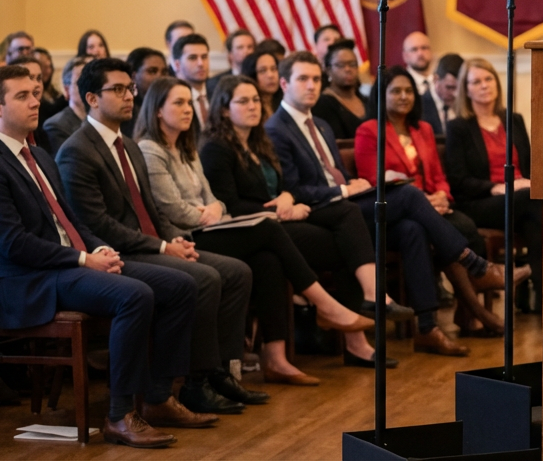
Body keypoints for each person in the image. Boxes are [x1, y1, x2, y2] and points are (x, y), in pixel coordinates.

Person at [0, 65, 211, 446]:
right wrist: (83, 260)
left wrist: (97, 248)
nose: (35, 101)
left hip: (70, 263)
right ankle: (120, 414)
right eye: (22, 96)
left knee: (179, 284)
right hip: (29, 278)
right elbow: (14, 244)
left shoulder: (38, 155)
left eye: (35, 93)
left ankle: (159, 397)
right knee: (134, 294)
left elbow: (70, 221)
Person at [266, 52, 521, 355]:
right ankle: (475, 265)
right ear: (284, 83)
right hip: (323, 213)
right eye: (303, 79)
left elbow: (337, 173)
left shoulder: (320, 124)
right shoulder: (276, 128)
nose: (312, 86)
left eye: (316, 79)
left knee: (413, 228)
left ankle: (427, 327)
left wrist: (351, 187)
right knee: (411, 195)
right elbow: (295, 189)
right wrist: (346, 191)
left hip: (347, 206)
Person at [136, 76, 373, 386]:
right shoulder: (152, 150)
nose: (187, 110)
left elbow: (216, 200)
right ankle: (324, 305)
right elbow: (172, 208)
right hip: (187, 238)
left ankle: (275, 358)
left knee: (268, 260)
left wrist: (214, 210)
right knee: (269, 229)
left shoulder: (186, 146)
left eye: (189, 103)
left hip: (214, 225)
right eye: (178, 103)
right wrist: (210, 212)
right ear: (156, 110)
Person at [56, 58, 254, 415]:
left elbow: (149, 209)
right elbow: (97, 223)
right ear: (91, 98)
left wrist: (172, 241)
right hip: (118, 253)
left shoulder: (129, 145)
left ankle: (217, 372)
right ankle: (180, 387)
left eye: (130, 88)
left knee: (236, 271)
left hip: (150, 244)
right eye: (117, 89)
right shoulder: (76, 151)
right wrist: (162, 246)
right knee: (203, 278)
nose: (129, 96)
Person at [201, 75, 400, 375]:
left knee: (346, 222)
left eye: (255, 99)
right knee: (341, 243)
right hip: (252, 228)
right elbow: (228, 203)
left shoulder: (258, 141)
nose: (253, 106)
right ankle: (336, 318)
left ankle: (349, 329)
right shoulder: (216, 148)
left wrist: (287, 197)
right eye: (243, 101)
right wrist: (282, 209)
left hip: (277, 221)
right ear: (224, 110)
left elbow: (283, 186)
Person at [444, 57, 543, 314]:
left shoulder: (514, 120)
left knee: (535, 222)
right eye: (475, 81)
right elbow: (458, 179)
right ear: (465, 90)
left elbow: (531, 165)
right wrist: (495, 187)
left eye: (488, 79)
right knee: (536, 202)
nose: (484, 85)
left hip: (523, 200)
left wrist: (529, 182)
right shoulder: (459, 127)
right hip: (480, 202)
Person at [356, 66, 487, 258]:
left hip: (433, 204)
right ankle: (479, 276)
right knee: (444, 228)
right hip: (398, 209)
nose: (404, 96)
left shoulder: (424, 129)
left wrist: (442, 195)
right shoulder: (369, 130)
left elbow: (438, 175)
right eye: (396, 91)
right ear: (381, 95)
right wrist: (423, 202)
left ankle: (478, 283)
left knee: (465, 224)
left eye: (409, 91)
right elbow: (372, 180)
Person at [312, 39, 366, 139]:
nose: (348, 69)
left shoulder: (366, 100)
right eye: (341, 65)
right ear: (328, 70)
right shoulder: (322, 104)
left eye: (352, 64)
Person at [403, 31, 446, 139]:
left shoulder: (443, 83)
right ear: (405, 56)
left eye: (424, 48)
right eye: (414, 49)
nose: (420, 53)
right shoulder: (402, 85)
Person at [43, 56, 88, 154]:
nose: (88, 87)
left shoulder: (104, 119)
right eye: (81, 82)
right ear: (67, 90)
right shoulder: (55, 126)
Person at [125, 47, 169, 139]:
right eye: (152, 71)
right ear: (133, 77)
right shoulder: (127, 109)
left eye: (164, 72)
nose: (160, 77)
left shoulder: (169, 105)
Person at [172, 34, 213, 129]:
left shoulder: (217, 92)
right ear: (177, 64)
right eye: (193, 58)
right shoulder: (171, 98)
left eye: (204, 57)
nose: (200, 63)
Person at [208, 29, 256, 94]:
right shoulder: (215, 83)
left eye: (250, 47)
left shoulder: (260, 79)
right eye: (240, 47)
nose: (246, 51)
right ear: (230, 54)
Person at [430, 52, 465, 140]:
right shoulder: (420, 104)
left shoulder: (469, 104)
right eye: (450, 87)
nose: (456, 94)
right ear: (435, 79)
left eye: (460, 88)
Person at [242, 49, 283, 118]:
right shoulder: (248, 108)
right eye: (263, 71)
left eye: (273, 69)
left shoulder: (286, 103)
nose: (270, 75)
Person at [31, 47, 63, 116]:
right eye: (44, 67)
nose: (48, 71)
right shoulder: (33, 94)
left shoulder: (53, 91)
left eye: (49, 67)